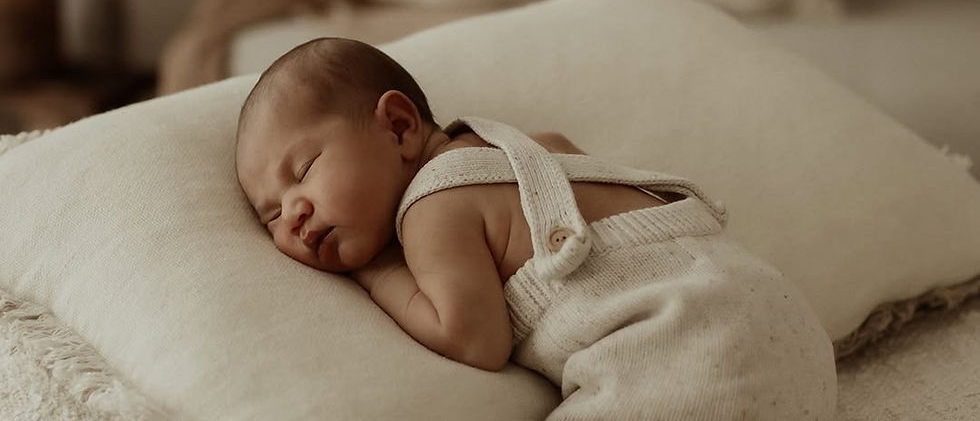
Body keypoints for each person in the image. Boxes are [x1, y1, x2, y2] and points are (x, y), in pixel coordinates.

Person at [235, 37, 837, 419]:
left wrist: (381, 273)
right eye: (269, 213)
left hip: (684, 357)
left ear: (397, 128)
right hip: (784, 328)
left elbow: (475, 341)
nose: (292, 213)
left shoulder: (433, 210)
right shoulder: (533, 147)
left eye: (304, 170)